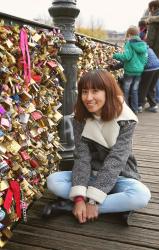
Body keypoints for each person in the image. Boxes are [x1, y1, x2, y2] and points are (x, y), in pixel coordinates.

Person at [46, 69, 151, 224]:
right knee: (53, 181)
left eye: (95, 91)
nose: (88, 98)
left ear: (107, 92)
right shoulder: (80, 118)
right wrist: (80, 198)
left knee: (141, 195)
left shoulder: (126, 119)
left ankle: (70, 207)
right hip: (90, 175)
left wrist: (93, 201)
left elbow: (116, 160)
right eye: (84, 92)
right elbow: (82, 158)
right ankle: (112, 205)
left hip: (119, 175)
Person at [113, 25, 148, 115]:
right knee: (135, 90)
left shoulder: (129, 43)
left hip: (129, 71)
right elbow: (145, 59)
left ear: (129, 34)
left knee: (126, 90)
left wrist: (115, 55)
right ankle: (135, 110)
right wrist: (141, 67)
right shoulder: (143, 44)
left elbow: (126, 57)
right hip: (139, 72)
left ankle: (126, 111)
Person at [138, 47, 159, 113]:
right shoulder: (148, 48)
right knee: (151, 87)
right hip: (157, 67)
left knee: (143, 87)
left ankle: (139, 106)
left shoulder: (136, 49)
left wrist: (115, 67)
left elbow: (129, 60)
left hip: (148, 69)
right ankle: (153, 106)